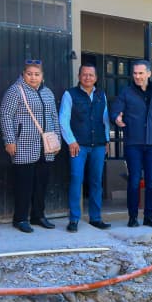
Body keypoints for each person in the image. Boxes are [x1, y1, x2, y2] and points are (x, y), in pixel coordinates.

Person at [0, 60, 62, 232]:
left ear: (42, 76)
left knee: (41, 183)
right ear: (23, 74)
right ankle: (20, 219)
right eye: (29, 74)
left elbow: (54, 116)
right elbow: (5, 116)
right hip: (23, 144)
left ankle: (38, 216)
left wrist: (57, 139)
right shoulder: (15, 91)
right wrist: (9, 140)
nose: (33, 77)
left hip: (46, 146)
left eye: (37, 74)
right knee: (24, 184)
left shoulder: (47, 92)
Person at [112, 59, 152, 228]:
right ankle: (133, 217)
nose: (137, 76)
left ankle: (149, 216)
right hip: (133, 143)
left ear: (149, 73)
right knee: (134, 181)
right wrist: (116, 118)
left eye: (141, 73)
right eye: (135, 73)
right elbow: (115, 110)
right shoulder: (126, 93)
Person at [60, 63, 111, 232]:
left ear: (96, 78)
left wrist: (106, 140)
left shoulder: (101, 95)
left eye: (91, 75)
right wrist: (71, 141)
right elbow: (63, 120)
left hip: (98, 145)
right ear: (79, 76)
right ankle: (74, 219)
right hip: (78, 145)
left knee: (96, 181)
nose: (87, 77)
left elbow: (105, 119)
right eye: (84, 74)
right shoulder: (70, 94)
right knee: (76, 179)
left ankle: (96, 218)